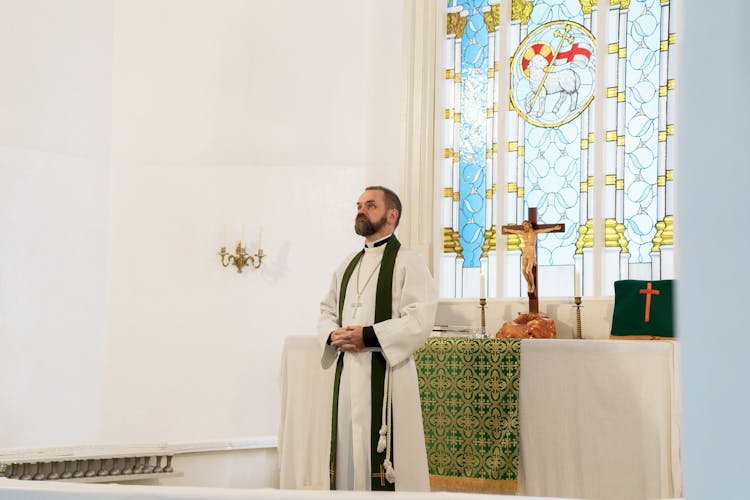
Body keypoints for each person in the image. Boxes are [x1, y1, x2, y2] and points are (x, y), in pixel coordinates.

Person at [317, 186, 438, 492]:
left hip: (387, 374)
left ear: (391, 215)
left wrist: (367, 335)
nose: (361, 210)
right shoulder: (347, 265)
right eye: (359, 205)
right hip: (348, 375)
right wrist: (333, 334)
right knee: (348, 450)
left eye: (370, 205)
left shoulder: (409, 262)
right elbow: (326, 310)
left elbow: (419, 320)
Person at [503, 220, 561, 294]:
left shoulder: (534, 232)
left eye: (525, 225)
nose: (524, 227)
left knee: (529, 270)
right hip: (525, 252)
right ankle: (528, 284)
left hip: (531, 253)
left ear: (529, 225)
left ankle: (533, 285)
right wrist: (507, 230)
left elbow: (544, 230)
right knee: (523, 270)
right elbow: (515, 231)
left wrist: (554, 228)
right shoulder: (523, 233)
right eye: (523, 226)